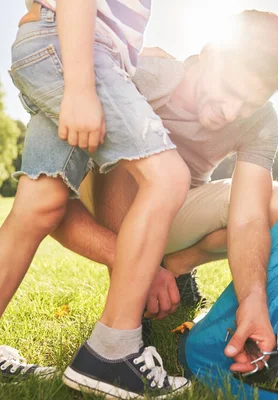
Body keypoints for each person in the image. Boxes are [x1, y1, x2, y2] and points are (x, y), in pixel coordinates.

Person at [51, 10, 278, 375]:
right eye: (230, 91)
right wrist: (133, 262)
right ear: (212, 53)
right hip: (109, 198)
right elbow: (54, 202)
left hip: (178, 212)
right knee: (132, 153)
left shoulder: (260, 120)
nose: (233, 112)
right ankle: (134, 289)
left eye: (248, 103)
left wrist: (252, 297)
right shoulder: (144, 73)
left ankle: (178, 264)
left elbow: (248, 218)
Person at [0, 0, 191, 397]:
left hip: (58, 43)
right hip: (75, 45)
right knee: (168, 178)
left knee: (41, 205)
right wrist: (81, 87)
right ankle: (111, 354)